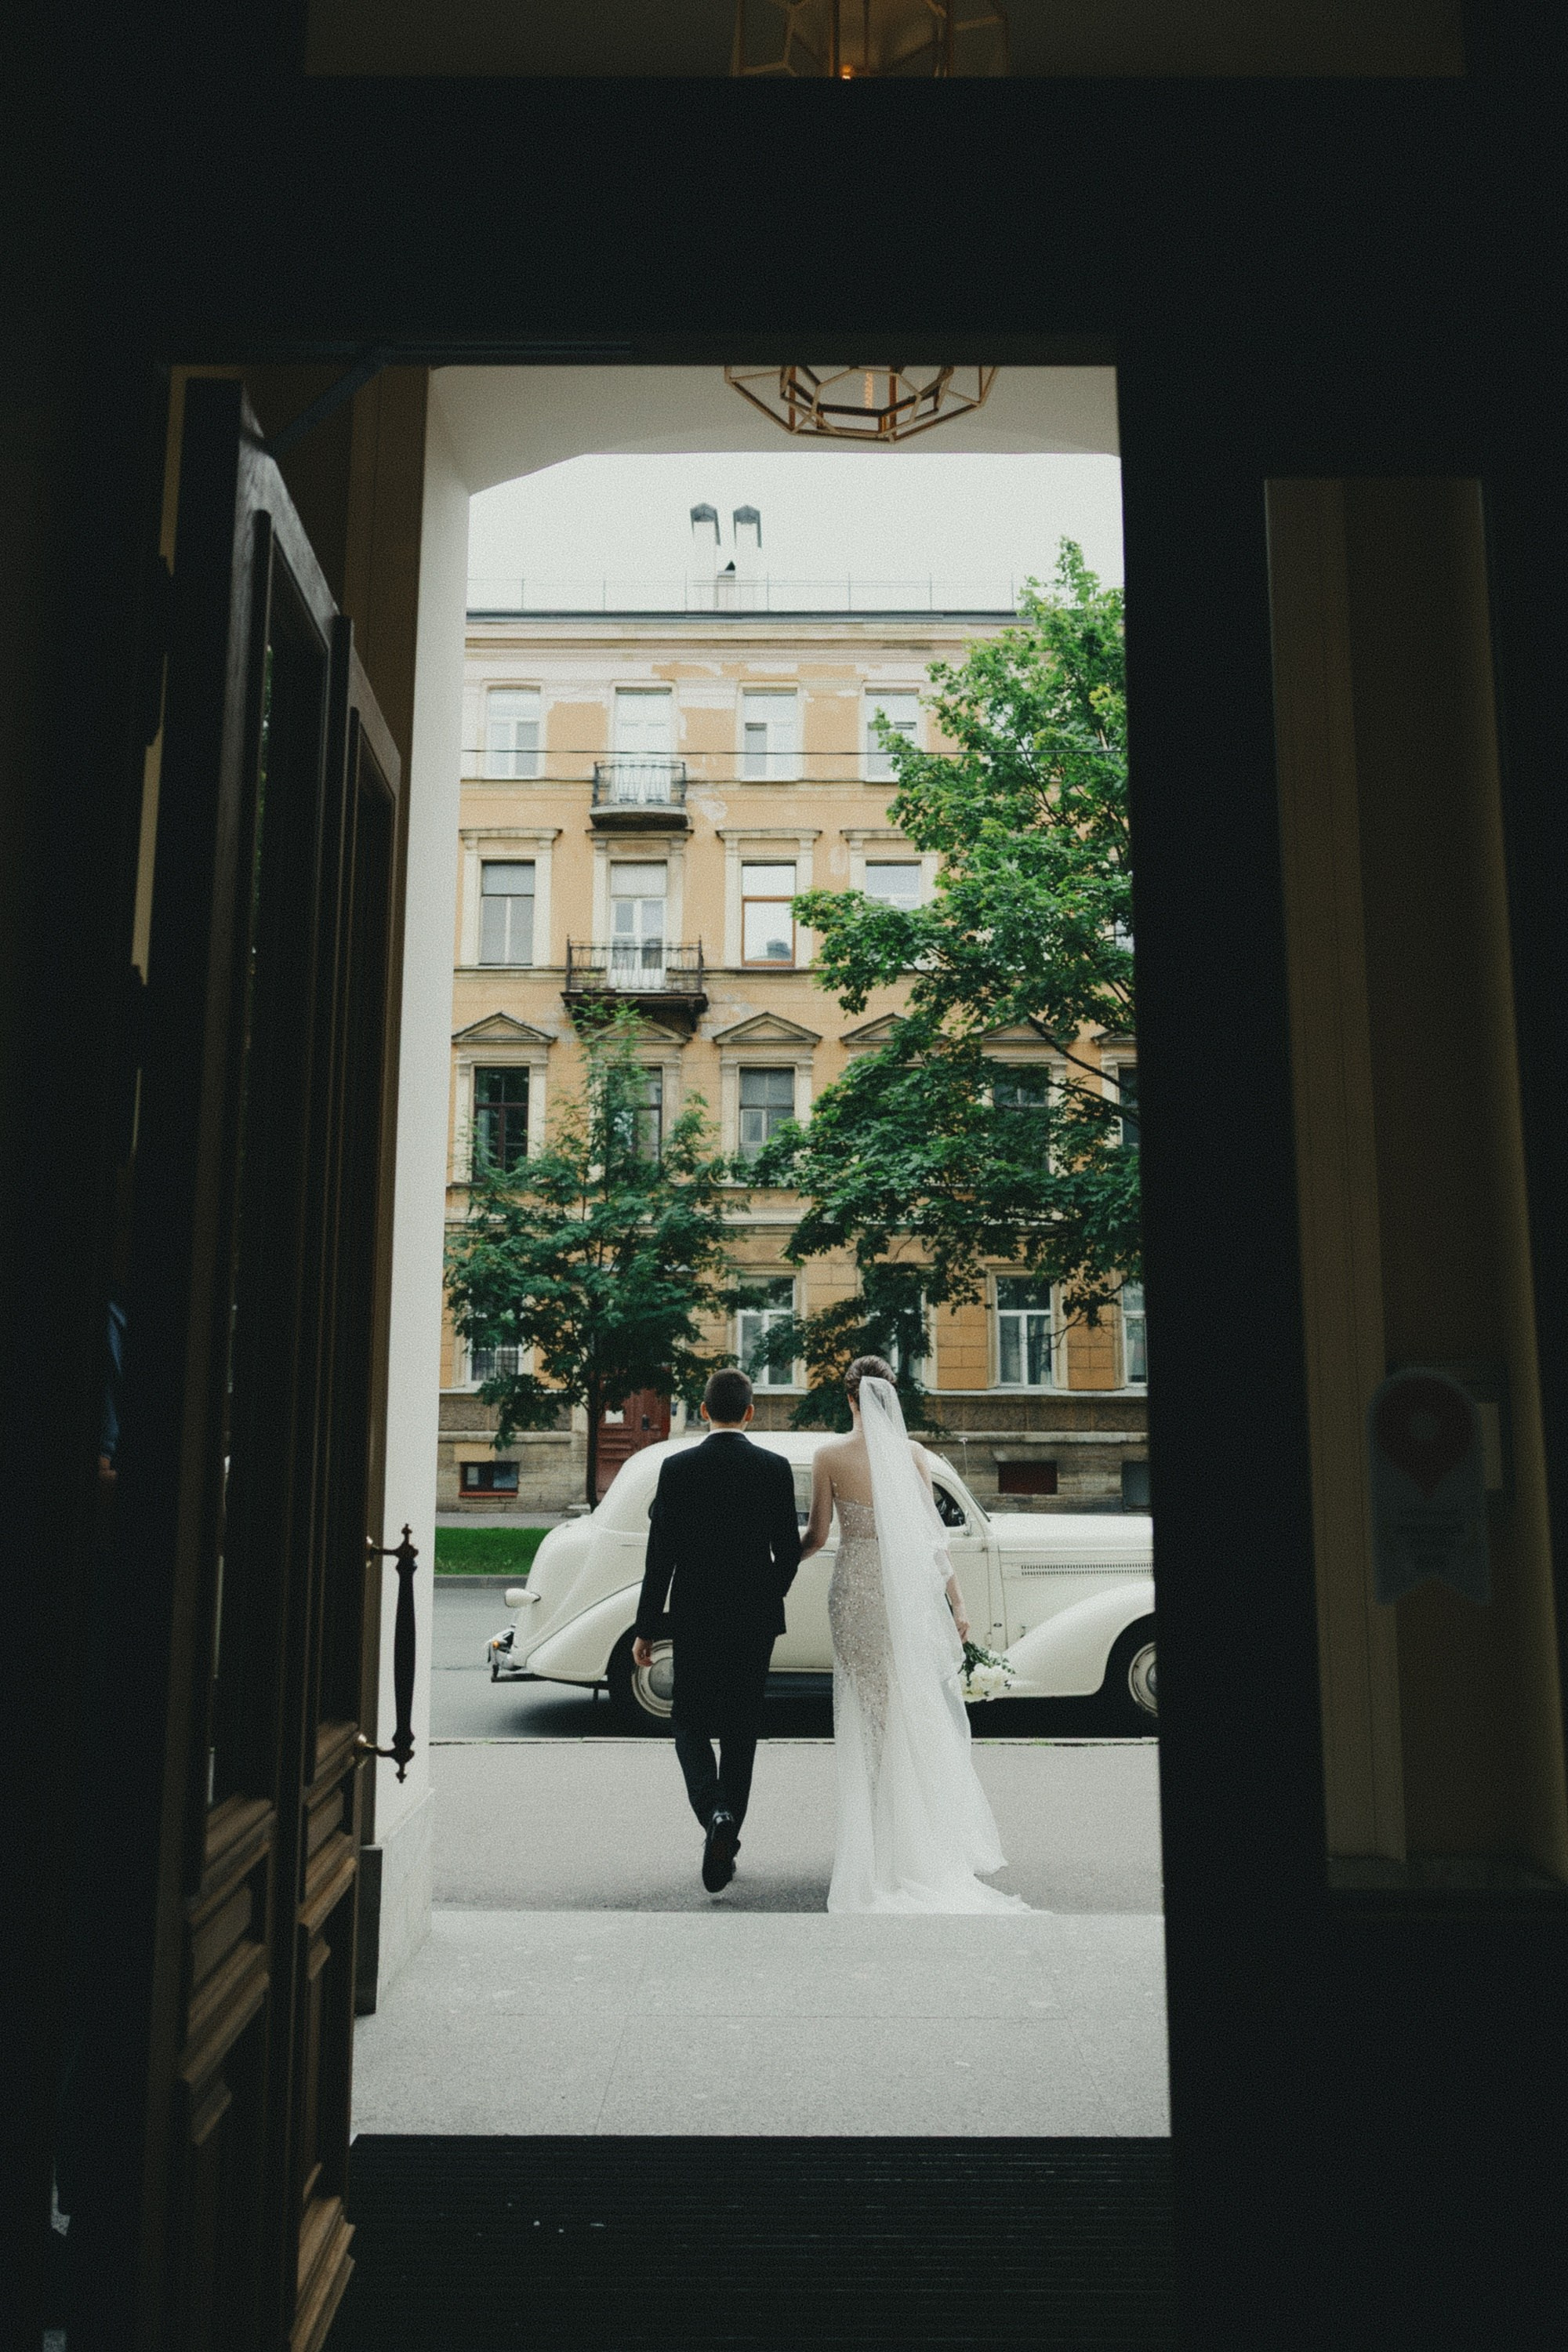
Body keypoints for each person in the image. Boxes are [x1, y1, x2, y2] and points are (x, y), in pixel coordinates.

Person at [800, 1356, 1029, 1914]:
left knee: (868, 1711)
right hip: (904, 1594)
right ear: (889, 1397)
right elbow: (932, 1537)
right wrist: (958, 1602)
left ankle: (877, 1838)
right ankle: (913, 1836)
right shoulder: (912, 1455)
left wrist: (781, 1559)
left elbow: (818, 1533)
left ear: (849, 1398)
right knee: (909, 1705)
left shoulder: (829, 1455)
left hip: (855, 1591)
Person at [633, 1367, 801, 1893]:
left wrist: (646, 1627)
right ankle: (726, 1835)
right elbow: (789, 1552)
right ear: (750, 1412)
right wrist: (768, 1593)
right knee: (740, 1732)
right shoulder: (774, 1469)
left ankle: (715, 1814)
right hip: (754, 1621)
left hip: (695, 1615)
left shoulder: (678, 1468)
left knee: (688, 1724)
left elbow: (659, 1556)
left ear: (703, 1410)